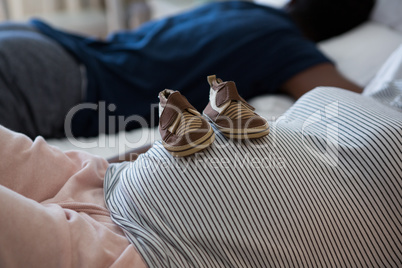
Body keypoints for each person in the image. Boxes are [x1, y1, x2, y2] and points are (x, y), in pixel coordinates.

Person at [0, 0, 374, 138]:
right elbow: (361, 107)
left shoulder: (238, 7)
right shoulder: (288, 45)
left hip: (37, 41)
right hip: (54, 80)